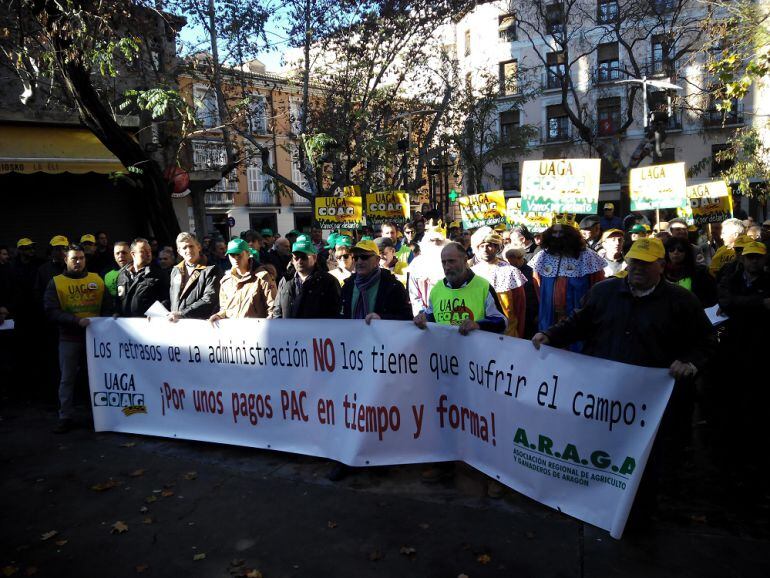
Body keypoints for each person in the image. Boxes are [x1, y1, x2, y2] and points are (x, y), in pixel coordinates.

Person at [532, 237, 717, 527]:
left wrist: (690, 362)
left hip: (653, 405)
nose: (637, 269)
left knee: (645, 462)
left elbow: (706, 342)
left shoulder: (682, 302)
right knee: (601, 452)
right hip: (605, 397)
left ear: (661, 265)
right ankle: (595, 503)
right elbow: (579, 323)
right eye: (633, 262)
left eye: (645, 263)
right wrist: (551, 335)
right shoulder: (604, 292)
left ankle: (638, 515)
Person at [44, 244, 110, 433]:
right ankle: (65, 417)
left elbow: (107, 304)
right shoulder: (56, 282)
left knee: (96, 378)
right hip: (69, 338)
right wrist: (75, 320)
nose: (79, 261)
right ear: (66, 259)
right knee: (67, 379)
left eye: (81, 258)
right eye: (74, 258)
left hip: (96, 339)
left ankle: (98, 415)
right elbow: (51, 311)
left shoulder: (97, 279)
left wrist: (106, 320)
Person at [529, 223, 606, 347]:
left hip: (578, 317)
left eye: (562, 234)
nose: (558, 237)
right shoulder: (542, 256)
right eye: (554, 233)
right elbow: (537, 284)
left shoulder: (588, 256)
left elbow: (598, 286)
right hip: (549, 315)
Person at [469, 228, 527, 338]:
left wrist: (520, 335)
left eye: (489, 245)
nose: (485, 249)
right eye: (482, 246)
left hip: (508, 335)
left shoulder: (510, 271)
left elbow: (520, 308)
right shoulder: (471, 273)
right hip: (480, 333)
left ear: (496, 247)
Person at [270, 234, 341, 319]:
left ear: (314, 258)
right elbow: (277, 311)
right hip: (290, 331)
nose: (299, 261)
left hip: (317, 331)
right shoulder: (285, 280)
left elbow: (335, 313)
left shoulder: (328, 281)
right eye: (296, 257)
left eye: (304, 257)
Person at [341, 239, 411, 322]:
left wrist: (382, 318)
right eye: (356, 258)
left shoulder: (393, 286)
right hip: (353, 334)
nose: (359, 262)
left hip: (382, 334)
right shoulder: (348, 285)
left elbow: (407, 317)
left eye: (364, 257)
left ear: (377, 260)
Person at [208, 238, 275, 321]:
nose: (235, 258)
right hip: (233, 330)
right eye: (232, 255)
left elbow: (272, 307)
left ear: (248, 254)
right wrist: (219, 316)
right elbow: (224, 308)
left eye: (239, 254)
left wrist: (268, 327)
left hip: (257, 330)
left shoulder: (262, 277)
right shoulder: (226, 281)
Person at [168, 233, 221, 321]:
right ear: (179, 251)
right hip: (177, 324)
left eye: (191, 246)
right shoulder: (175, 270)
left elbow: (209, 300)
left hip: (200, 324)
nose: (188, 250)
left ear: (199, 247)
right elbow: (173, 299)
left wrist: (182, 314)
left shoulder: (212, 269)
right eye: (184, 247)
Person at [115, 238, 170, 317]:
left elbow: (167, 299)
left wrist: (156, 314)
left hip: (146, 325)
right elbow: (118, 299)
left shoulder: (159, 274)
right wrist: (117, 312)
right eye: (143, 251)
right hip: (125, 324)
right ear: (133, 254)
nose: (148, 254)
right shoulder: (122, 275)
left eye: (149, 250)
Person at [663, 236, 717, 307]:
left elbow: (710, 297)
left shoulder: (700, 273)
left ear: (687, 252)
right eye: (672, 249)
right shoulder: (660, 273)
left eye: (680, 249)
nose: (676, 252)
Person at [407, 226, 449, 315]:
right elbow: (414, 293)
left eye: (438, 241)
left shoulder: (451, 262)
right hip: (425, 315)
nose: (435, 244)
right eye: (431, 240)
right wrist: (421, 314)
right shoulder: (416, 263)